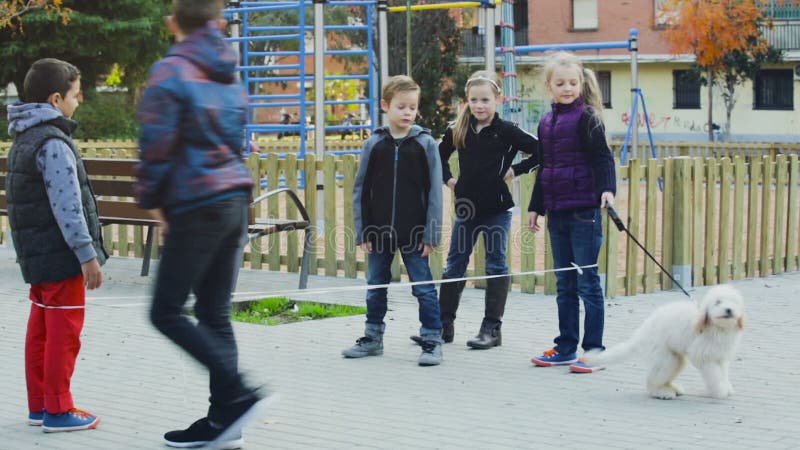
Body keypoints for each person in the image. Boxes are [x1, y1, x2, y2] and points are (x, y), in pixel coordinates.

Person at [135, 1, 269, 447]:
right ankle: (222, 423)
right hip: (234, 201)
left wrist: (155, 204)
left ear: (173, 23)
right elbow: (236, 140)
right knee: (213, 314)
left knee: (165, 311)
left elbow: (155, 146)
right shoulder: (230, 72)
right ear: (219, 23)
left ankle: (239, 394)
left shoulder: (170, 71)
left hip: (197, 202)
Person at [6, 58, 106, 432]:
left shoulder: (23, 138)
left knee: (42, 329)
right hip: (61, 256)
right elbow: (68, 207)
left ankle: (40, 405)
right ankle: (59, 410)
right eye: (75, 95)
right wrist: (87, 254)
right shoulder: (53, 143)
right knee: (64, 333)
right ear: (55, 99)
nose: (78, 101)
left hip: (37, 255)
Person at [411, 70, 539, 350]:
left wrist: (515, 170)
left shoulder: (506, 130)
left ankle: (491, 329)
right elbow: (438, 156)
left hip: (497, 210)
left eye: (485, 100)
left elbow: (540, 151)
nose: (479, 105)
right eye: (474, 100)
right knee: (455, 263)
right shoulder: (457, 129)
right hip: (466, 210)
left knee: (495, 264)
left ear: (497, 100)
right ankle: (442, 326)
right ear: (466, 101)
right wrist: (449, 180)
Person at [342, 75, 445, 366]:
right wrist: (363, 231)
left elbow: (434, 192)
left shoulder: (425, 144)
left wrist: (431, 234)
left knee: (423, 287)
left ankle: (432, 340)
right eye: (401, 106)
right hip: (378, 233)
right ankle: (372, 338)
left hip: (415, 233)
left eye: (413, 107)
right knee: (376, 284)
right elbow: (360, 190)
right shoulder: (374, 143)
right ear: (386, 106)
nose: (408, 112)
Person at [527, 51, 617, 373]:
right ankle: (565, 347)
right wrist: (536, 207)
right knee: (564, 283)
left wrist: (607, 190)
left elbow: (603, 159)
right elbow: (545, 167)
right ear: (549, 86)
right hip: (557, 212)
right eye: (561, 83)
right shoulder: (546, 122)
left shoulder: (587, 118)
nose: (567, 88)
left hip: (583, 212)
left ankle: (593, 350)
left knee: (587, 282)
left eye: (573, 83)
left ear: (581, 84)